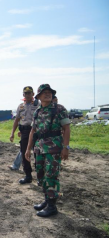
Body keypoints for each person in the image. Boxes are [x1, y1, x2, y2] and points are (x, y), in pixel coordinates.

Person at [25, 84, 71, 217]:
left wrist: (66, 147)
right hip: (39, 148)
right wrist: (28, 149)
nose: (47, 94)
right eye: (44, 92)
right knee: (41, 175)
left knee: (51, 175)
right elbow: (33, 131)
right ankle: (46, 199)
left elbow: (66, 128)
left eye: (49, 92)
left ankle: (52, 206)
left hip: (54, 148)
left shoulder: (59, 109)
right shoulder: (37, 111)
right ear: (38, 96)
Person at [10, 86, 40, 184]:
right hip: (24, 132)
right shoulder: (20, 106)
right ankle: (28, 175)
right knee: (24, 154)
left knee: (37, 154)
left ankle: (40, 177)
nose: (27, 95)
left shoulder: (38, 105)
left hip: (36, 131)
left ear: (33, 94)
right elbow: (17, 120)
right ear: (23, 94)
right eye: (25, 93)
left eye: (29, 93)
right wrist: (12, 133)